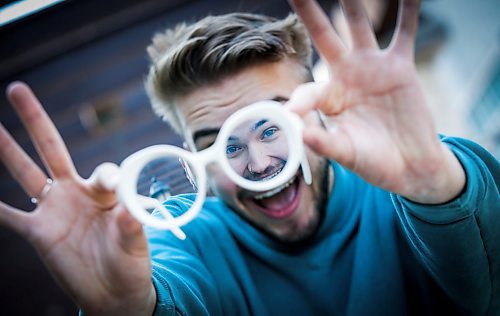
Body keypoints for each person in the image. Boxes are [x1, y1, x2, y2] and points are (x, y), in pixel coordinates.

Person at [0, 0, 498, 314]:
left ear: (318, 113)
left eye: (272, 127)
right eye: (224, 144)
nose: (258, 165)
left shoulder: (404, 188)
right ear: (194, 156)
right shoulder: (183, 238)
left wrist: (437, 187)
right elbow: (171, 288)